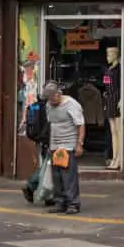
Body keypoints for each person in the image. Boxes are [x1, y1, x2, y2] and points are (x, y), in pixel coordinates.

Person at [44, 82, 85, 215]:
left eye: (51, 98)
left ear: (58, 94)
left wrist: (79, 143)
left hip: (68, 144)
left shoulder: (71, 104)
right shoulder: (48, 105)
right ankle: (60, 201)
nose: (50, 101)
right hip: (54, 144)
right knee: (57, 176)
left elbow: (80, 124)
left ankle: (73, 203)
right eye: (48, 98)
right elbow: (51, 124)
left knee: (68, 176)